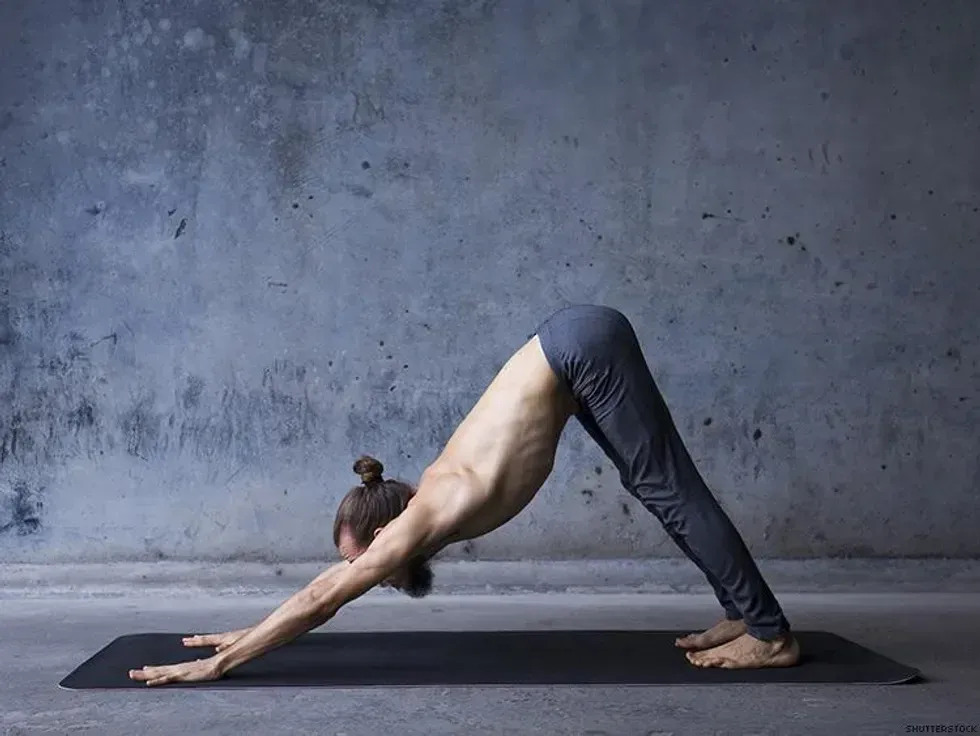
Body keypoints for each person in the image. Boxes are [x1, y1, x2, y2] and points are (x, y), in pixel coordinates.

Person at [129, 305, 799, 686]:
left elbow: (321, 599)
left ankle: (769, 634)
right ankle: (745, 612)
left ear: (383, 532)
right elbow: (328, 584)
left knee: (668, 489)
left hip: (581, 350)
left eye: (362, 557)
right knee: (654, 486)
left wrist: (219, 665)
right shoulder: (426, 498)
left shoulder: (427, 515)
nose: (367, 572)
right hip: (574, 347)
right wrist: (244, 631)